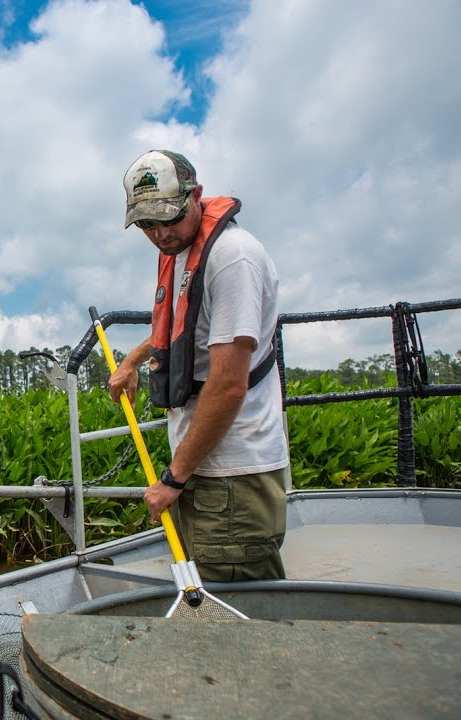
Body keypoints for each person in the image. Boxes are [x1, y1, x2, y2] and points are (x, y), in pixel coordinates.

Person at [108, 149, 289, 582]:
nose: (159, 234)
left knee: (240, 611)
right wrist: (134, 359)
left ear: (197, 195)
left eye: (168, 218)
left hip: (232, 473)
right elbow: (183, 329)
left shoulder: (232, 257)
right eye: (146, 223)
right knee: (206, 593)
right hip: (201, 466)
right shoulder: (184, 253)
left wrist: (173, 478)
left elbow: (229, 384)